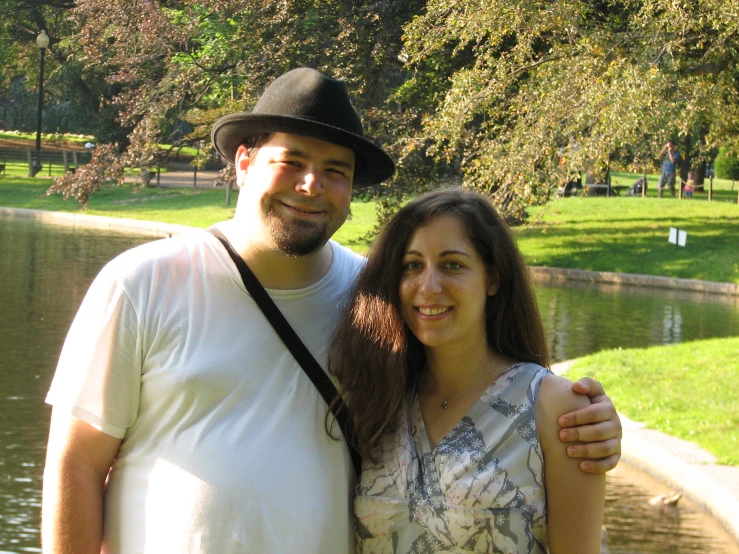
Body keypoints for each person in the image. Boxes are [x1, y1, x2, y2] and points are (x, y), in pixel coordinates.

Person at [42, 68, 620, 554]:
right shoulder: (141, 282)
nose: (311, 184)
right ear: (244, 163)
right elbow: (76, 467)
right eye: (290, 161)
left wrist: (583, 424)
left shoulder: (375, 298)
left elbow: (470, 390)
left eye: (335, 171)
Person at [329, 188, 606, 553]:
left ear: (492, 278)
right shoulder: (379, 401)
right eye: (412, 265)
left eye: (452, 265)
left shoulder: (557, 409)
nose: (428, 287)